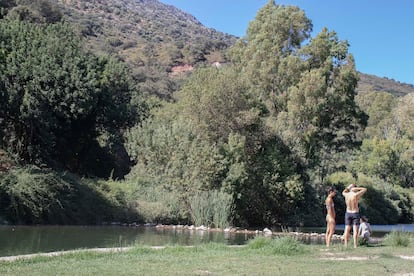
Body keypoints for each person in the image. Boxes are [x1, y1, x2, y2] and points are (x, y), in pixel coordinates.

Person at [342, 183, 367, 248]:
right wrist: (357, 188)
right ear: (354, 188)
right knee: (355, 229)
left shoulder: (346, 194)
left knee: (347, 229)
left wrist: (348, 187)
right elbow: (364, 189)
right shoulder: (356, 195)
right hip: (355, 213)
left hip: (348, 212)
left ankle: (345, 244)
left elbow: (343, 192)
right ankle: (355, 245)